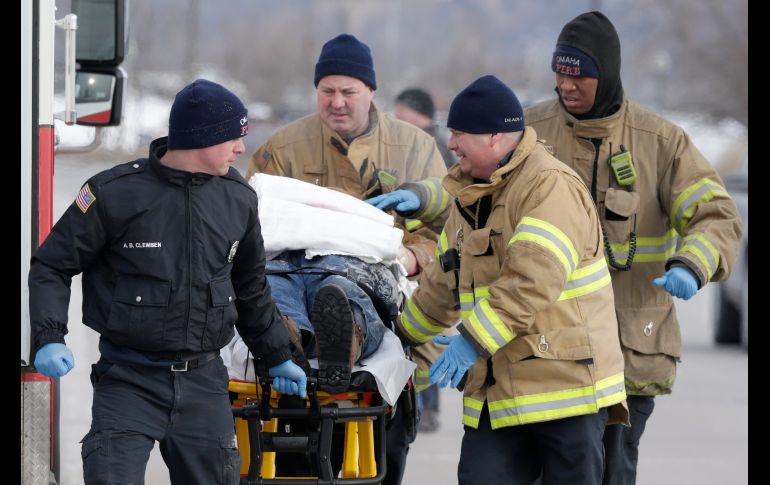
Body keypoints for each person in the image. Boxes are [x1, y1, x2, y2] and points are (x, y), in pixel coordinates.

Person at [28, 79, 307, 485]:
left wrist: (277, 354)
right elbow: (52, 265)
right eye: (233, 137)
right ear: (201, 137)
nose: (240, 148)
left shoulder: (238, 199)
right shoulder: (113, 193)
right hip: (127, 380)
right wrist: (49, 336)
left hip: (204, 383)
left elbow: (250, 289)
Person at [524, 11, 744, 485]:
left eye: (579, 74)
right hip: (545, 347)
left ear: (606, 73)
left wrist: (693, 263)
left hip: (629, 349)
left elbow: (717, 216)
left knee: (613, 468)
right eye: (559, 72)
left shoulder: (661, 143)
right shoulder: (529, 132)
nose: (566, 85)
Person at [376, 74, 629, 484]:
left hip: (566, 391)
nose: (451, 143)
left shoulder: (549, 187)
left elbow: (531, 281)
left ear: (495, 137)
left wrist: (471, 341)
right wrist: (398, 337)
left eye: (459, 134)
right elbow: (441, 287)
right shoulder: (469, 197)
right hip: (498, 392)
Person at [245, 33, 449, 484]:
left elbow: (446, 234)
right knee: (299, 459)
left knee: (383, 454)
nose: (337, 102)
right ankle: (291, 333)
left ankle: (347, 333)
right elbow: (251, 221)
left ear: (371, 91)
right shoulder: (283, 148)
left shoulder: (415, 148)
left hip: (384, 293)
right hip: (295, 276)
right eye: (327, 91)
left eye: (348, 92)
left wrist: (413, 258)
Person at [392, 87, 455, 433]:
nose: (397, 122)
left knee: (428, 334)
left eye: (403, 116)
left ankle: (427, 408)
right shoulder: (411, 145)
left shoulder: (435, 148)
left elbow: (446, 201)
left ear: (421, 116)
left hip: (429, 256)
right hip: (414, 254)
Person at [394, 88, 457, 169]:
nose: (396, 114)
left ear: (417, 110)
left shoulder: (430, 145)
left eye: (401, 109)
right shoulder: (421, 140)